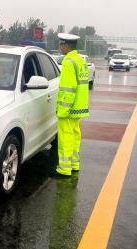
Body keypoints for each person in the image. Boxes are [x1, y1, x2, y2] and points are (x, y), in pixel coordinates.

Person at [55, 33, 89, 176]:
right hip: (79, 107)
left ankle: (64, 168)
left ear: (66, 46)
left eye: (61, 45)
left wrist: (62, 110)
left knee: (66, 137)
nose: (60, 47)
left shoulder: (69, 62)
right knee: (75, 135)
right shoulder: (80, 61)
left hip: (69, 108)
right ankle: (74, 164)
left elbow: (68, 89)